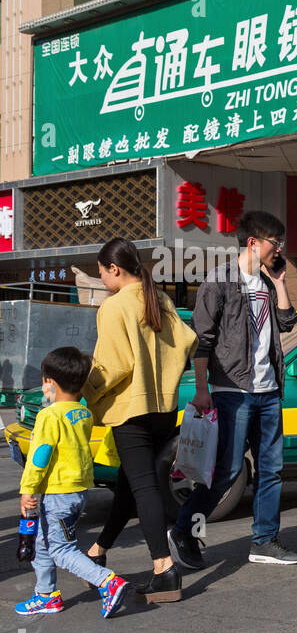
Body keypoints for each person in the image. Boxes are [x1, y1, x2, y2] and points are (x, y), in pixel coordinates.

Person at [167, 211, 297, 570]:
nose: (281, 249)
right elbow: (202, 340)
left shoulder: (266, 281)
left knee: (271, 470)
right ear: (254, 243)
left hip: (269, 390)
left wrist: (280, 283)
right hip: (233, 391)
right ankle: (183, 529)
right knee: (225, 470)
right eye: (277, 243)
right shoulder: (220, 281)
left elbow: (288, 322)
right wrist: (201, 388)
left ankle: (264, 541)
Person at [83, 238, 197, 605]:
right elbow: (188, 341)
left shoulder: (114, 306)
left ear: (114, 269)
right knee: (130, 485)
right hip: (163, 410)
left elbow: (113, 366)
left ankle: (164, 568)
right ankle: (98, 550)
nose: (102, 280)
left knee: (143, 488)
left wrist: (84, 390)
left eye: (101, 273)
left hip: (130, 411)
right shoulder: (159, 299)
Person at [15, 347, 131, 618]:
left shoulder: (50, 416)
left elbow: (40, 457)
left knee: (60, 549)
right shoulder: (83, 414)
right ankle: (46, 595)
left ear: (50, 383)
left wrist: (28, 489)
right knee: (44, 543)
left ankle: (107, 582)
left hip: (57, 494)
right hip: (77, 492)